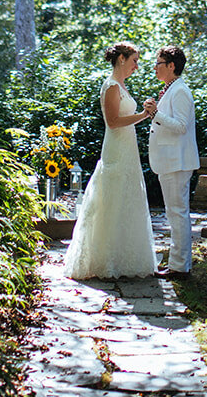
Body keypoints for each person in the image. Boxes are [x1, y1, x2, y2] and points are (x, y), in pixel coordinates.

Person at [63, 42, 159, 280]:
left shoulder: (121, 86)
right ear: (122, 59)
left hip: (127, 148)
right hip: (116, 149)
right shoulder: (111, 86)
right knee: (112, 198)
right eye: (134, 60)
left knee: (126, 197)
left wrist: (142, 114)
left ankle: (124, 257)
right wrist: (144, 115)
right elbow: (113, 122)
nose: (137, 66)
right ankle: (105, 259)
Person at [145, 44, 199, 279]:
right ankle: (178, 263)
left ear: (171, 66)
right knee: (174, 212)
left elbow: (180, 126)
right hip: (170, 160)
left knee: (178, 212)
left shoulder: (180, 91)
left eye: (158, 64)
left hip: (177, 161)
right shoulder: (170, 89)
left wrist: (156, 114)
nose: (155, 69)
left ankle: (180, 267)